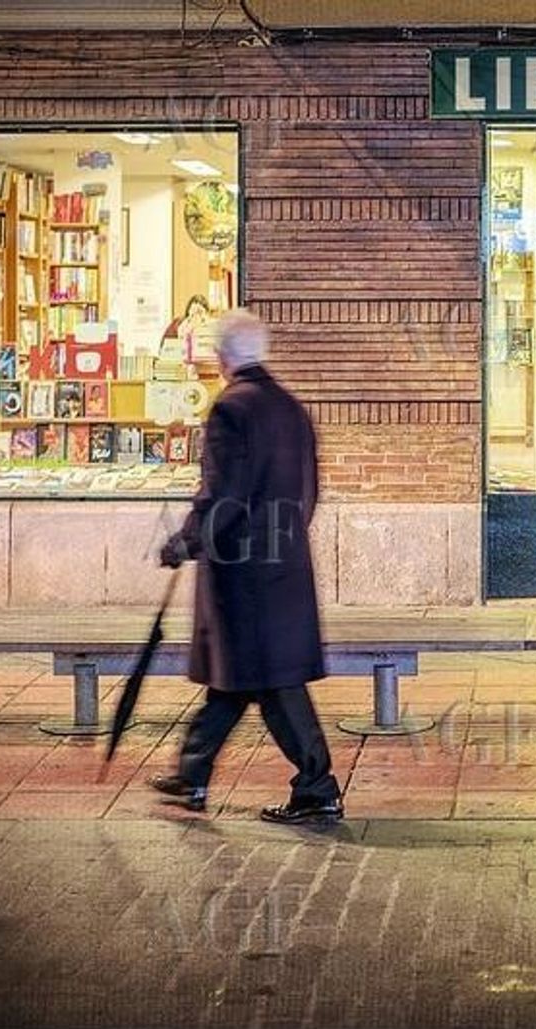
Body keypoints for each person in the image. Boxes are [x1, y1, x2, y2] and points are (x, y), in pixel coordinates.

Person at [148, 309, 343, 824]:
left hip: (243, 575)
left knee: (270, 680)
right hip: (282, 564)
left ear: (222, 356)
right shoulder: (290, 409)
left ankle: (317, 786)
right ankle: (192, 774)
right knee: (234, 678)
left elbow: (222, 495)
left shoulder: (231, 410)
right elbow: (308, 490)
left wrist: (185, 543)